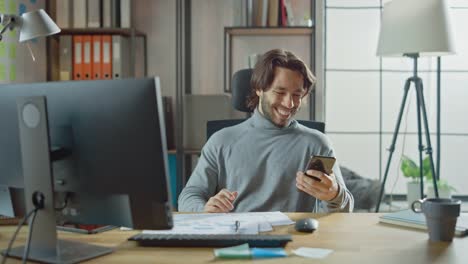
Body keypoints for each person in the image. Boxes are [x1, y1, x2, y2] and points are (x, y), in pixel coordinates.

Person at [178, 49, 354, 213]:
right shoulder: (221, 141)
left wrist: (334, 194)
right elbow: (188, 197)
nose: (289, 104)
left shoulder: (317, 143)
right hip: (238, 240)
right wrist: (205, 208)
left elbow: (347, 209)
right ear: (259, 88)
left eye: (296, 95)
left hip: (295, 241)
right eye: (280, 92)